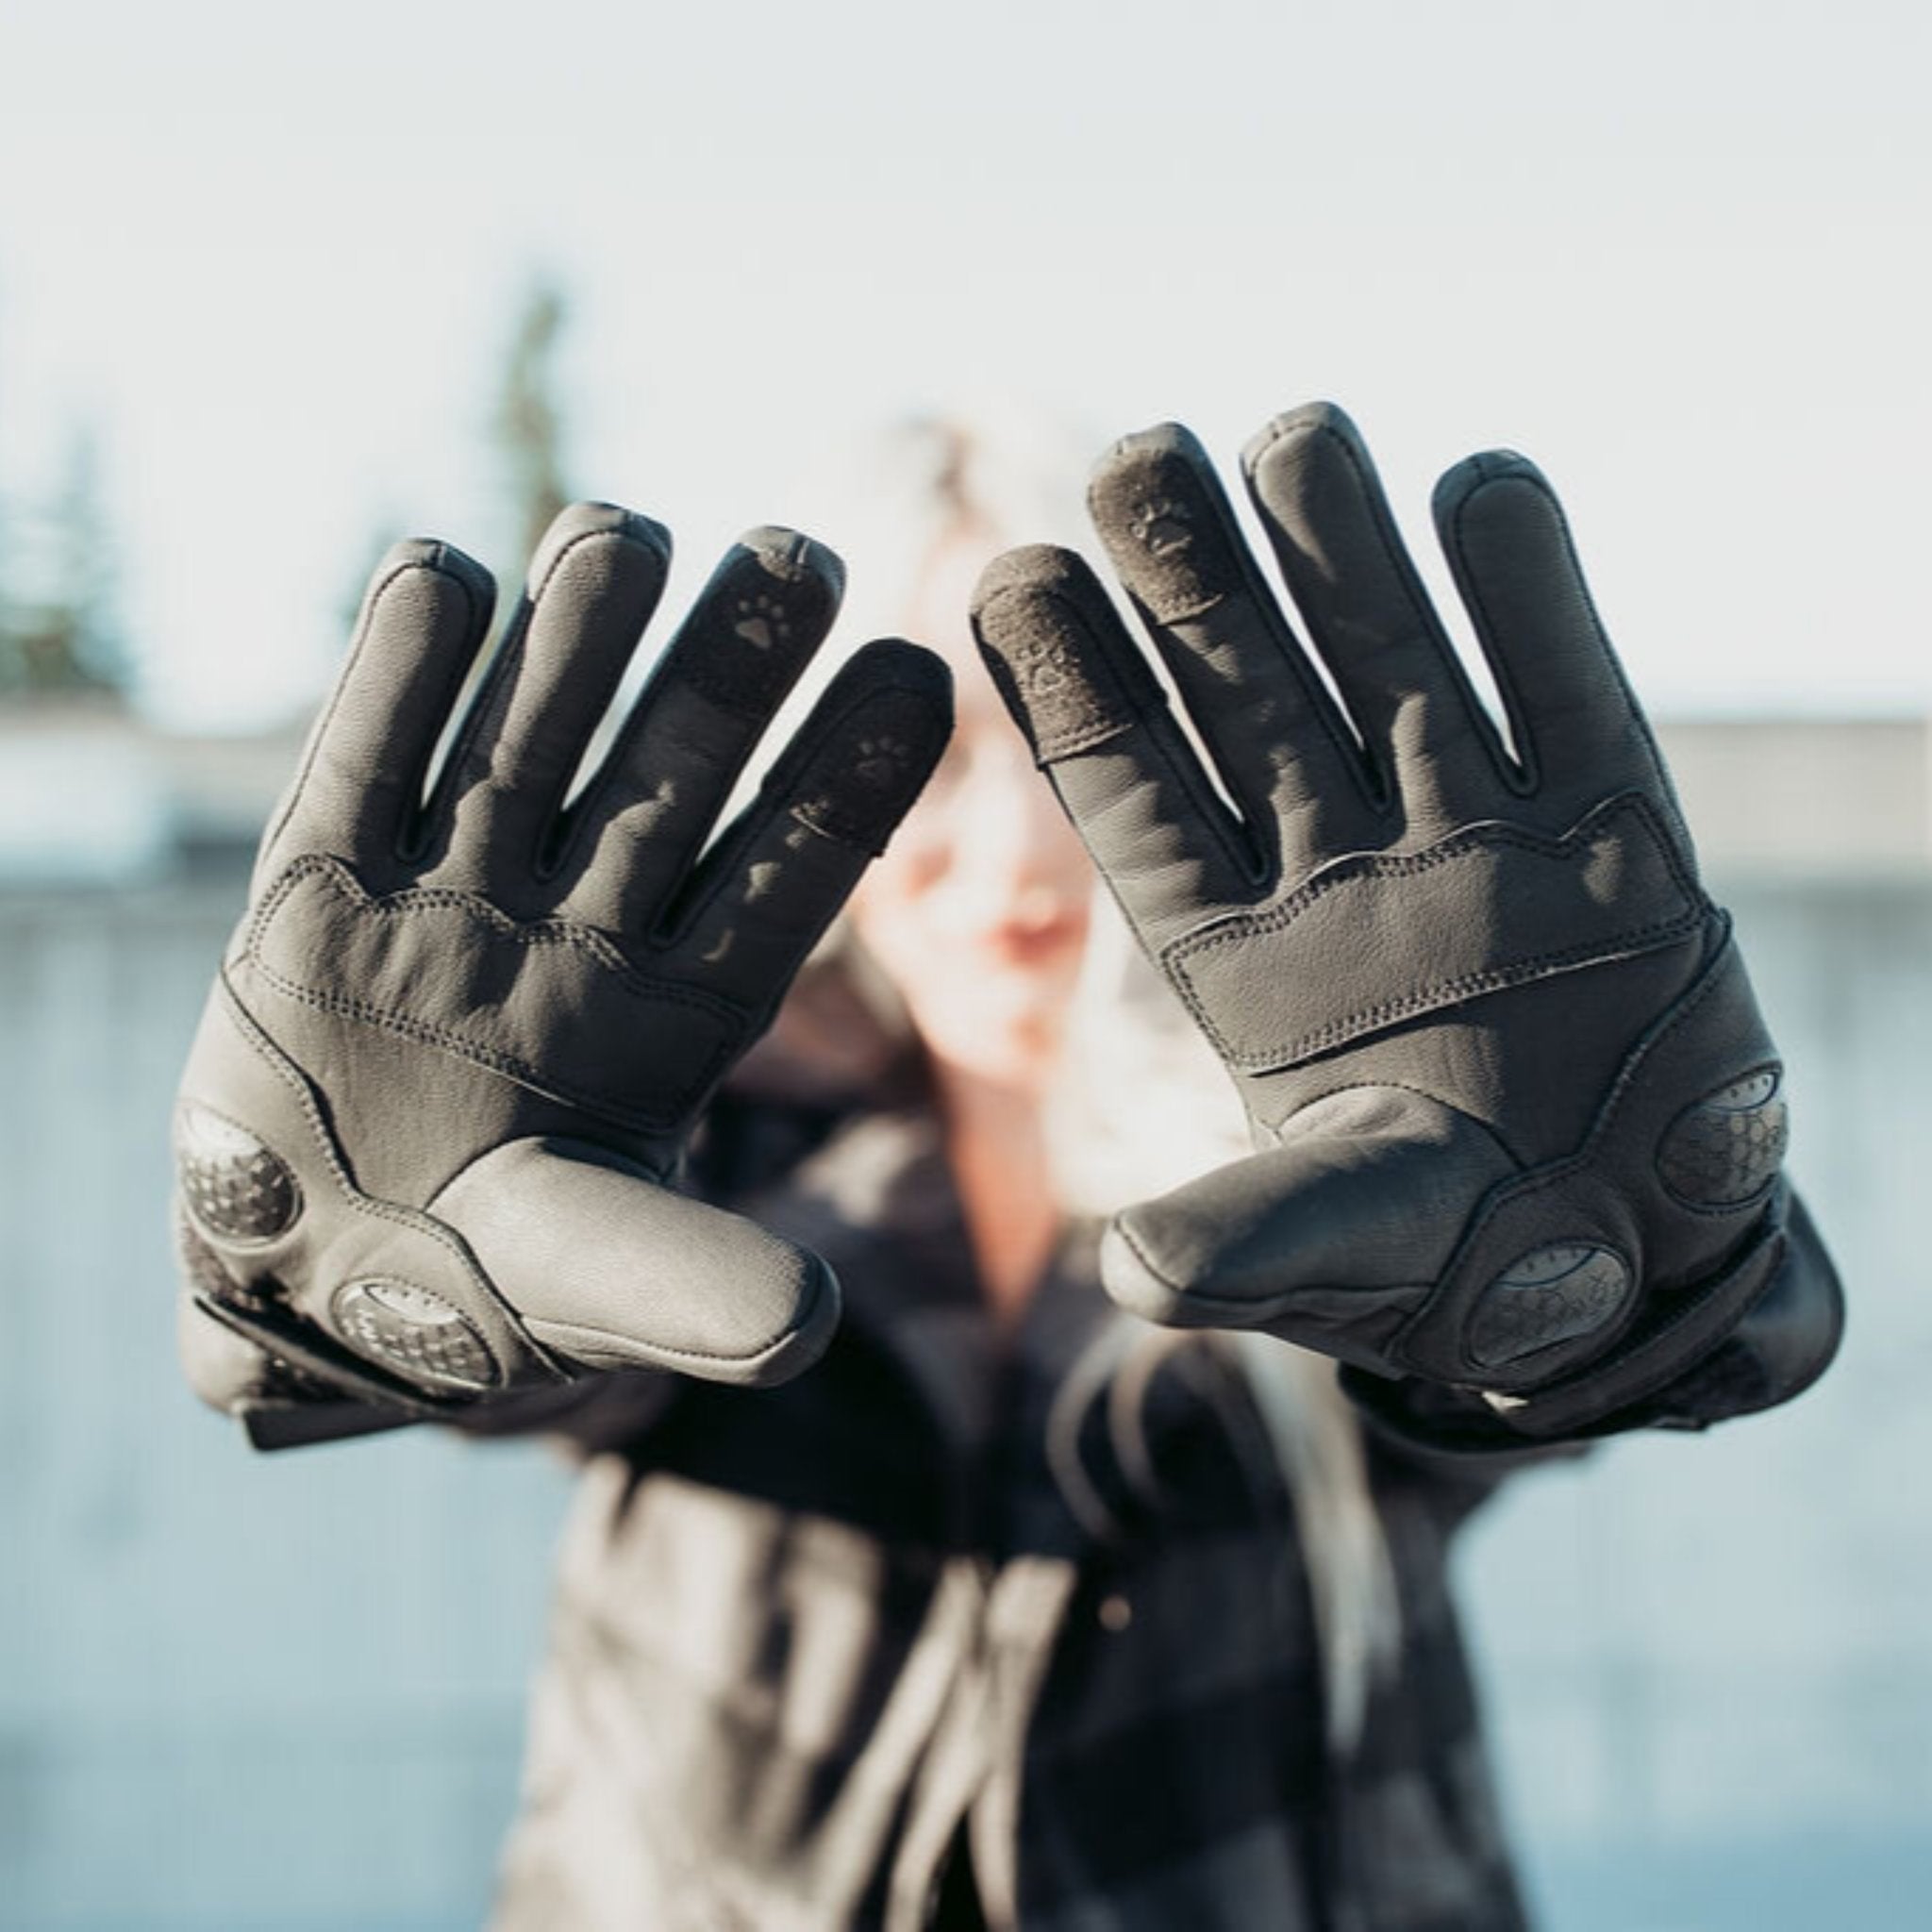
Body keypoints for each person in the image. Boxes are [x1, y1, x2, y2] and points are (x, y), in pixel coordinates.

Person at [172, 401, 1843, 1930]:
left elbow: (1570, 1378)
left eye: (1066, 762)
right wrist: (330, 1240)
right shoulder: (680, 1133)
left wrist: (1627, 1232)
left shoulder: (1349, 1140)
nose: (1010, 850)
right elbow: (452, 1367)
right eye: (930, 761)